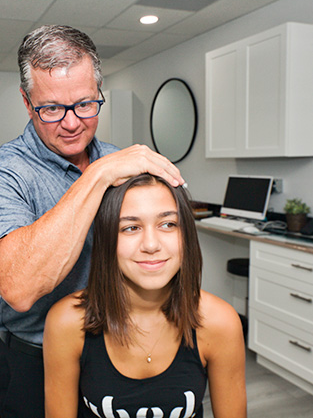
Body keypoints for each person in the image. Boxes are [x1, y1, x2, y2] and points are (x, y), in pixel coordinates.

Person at [0, 25, 184, 418]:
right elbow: (20, 286)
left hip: (120, 349)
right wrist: (98, 176)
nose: (71, 123)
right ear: (27, 103)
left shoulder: (123, 163)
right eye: (51, 108)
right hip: (34, 358)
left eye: (85, 104)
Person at [44, 173, 247, 418]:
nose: (151, 245)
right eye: (130, 227)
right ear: (107, 239)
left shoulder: (220, 322)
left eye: (168, 224)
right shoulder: (66, 322)